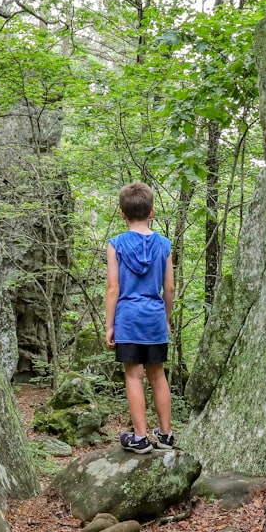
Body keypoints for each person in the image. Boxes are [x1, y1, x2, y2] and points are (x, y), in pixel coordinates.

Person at [105, 182, 176, 454]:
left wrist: (110, 325)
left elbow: (113, 288)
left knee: (133, 376)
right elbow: (169, 288)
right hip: (154, 317)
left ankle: (141, 437)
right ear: (152, 212)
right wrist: (166, 319)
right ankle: (166, 435)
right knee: (158, 376)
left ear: (122, 213)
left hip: (128, 319)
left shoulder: (116, 245)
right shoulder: (164, 245)